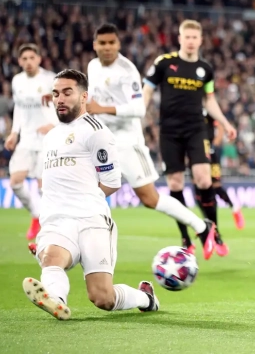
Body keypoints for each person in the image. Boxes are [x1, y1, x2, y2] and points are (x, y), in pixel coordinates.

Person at [23, 69, 159, 320]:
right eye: (56, 93)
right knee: (51, 258)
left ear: (84, 96)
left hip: (91, 219)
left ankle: (146, 298)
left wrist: (83, 198)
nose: (60, 99)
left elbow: (112, 182)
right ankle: (56, 301)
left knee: (103, 298)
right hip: (57, 220)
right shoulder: (51, 136)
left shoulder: (96, 132)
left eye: (67, 93)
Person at [85, 23, 216, 260]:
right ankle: (62, 242)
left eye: (111, 43)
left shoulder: (127, 71)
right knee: (86, 189)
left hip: (127, 142)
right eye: (102, 43)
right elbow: (92, 102)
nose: (107, 47)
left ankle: (201, 226)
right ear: (95, 45)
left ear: (118, 44)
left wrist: (102, 109)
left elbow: (138, 109)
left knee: (149, 198)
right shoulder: (92, 66)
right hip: (99, 140)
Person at [142, 19, 237, 257]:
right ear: (180, 39)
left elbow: (210, 100)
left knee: (204, 179)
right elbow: (147, 90)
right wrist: (138, 116)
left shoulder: (205, 69)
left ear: (201, 40)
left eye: (195, 37)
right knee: (175, 184)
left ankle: (214, 231)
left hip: (196, 129)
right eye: (187, 37)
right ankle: (185, 237)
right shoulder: (164, 63)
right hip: (169, 132)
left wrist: (225, 123)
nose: (191, 41)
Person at [5, 44, 58, 244]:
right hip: (26, 139)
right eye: (24, 58)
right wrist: (14, 133)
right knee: (15, 182)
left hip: (47, 140)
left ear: (39, 59)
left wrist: (54, 124)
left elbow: (62, 104)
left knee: (44, 186)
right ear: (19, 61)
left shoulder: (50, 79)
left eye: (31, 57)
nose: (28, 62)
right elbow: (19, 108)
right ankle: (36, 215)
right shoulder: (17, 81)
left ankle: (48, 226)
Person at [196, 109, 245, 256]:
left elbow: (220, 125)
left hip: (210, 152)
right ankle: (208, 227)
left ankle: (234, 208)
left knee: (216, 186)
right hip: (195, 151)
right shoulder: (191, 107)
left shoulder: (208, 109)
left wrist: (215, 144)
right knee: (199, 188)